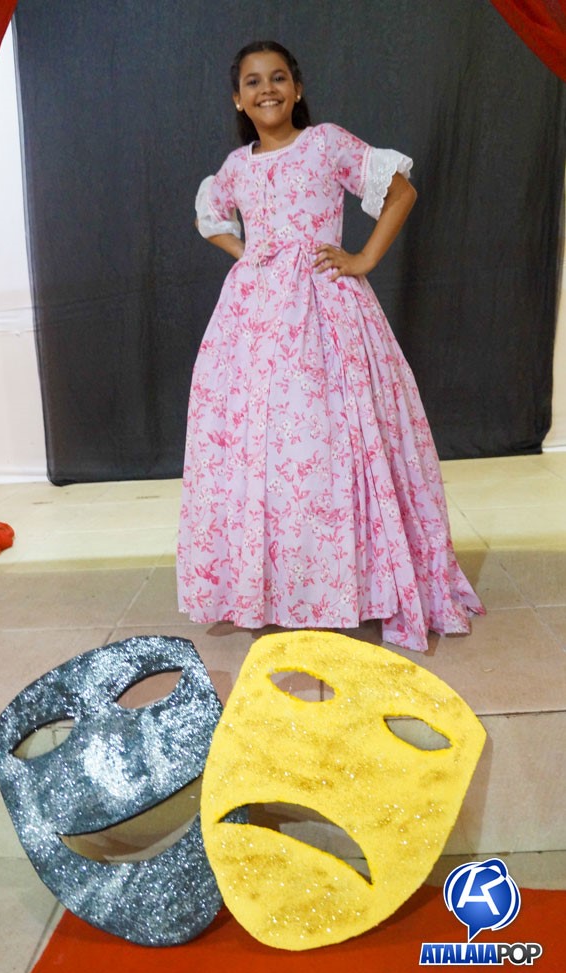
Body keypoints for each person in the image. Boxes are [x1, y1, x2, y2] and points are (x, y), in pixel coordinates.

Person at [177, 40, 483, 652]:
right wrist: (251, 256)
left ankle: (349, 585)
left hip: (326, 314)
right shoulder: (236, 166)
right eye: (253, 81)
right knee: (264, 449)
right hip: (253, 326)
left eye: (279, 78)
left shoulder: (325, 143)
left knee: (329, 443)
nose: (267, 89)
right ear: (237, 99)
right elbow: (210, 216)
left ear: (297, 89)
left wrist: (363, 257)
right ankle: (275, 588)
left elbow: (400, 192)